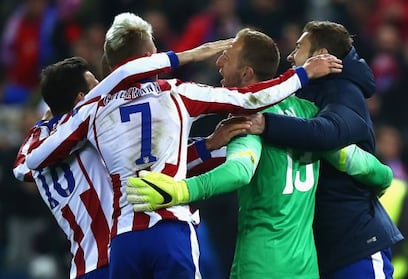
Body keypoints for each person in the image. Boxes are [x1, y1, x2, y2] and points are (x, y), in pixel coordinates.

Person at [24, 12, 341, 279]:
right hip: (170, 228)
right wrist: (302, 74)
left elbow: (35, 160)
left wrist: (207, 146)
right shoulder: (176, 93)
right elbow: (250, 98)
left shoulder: (92, 112)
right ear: (150, 58)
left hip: (123, 240)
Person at [125, 28, 393, 278]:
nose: (218, 63)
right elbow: (364, 165)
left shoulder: (252, 117)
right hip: (306, 267)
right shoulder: (308, 115)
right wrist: (383, 180)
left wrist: (181, 190)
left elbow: (239, 172)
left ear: (246, 74)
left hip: (260, 264)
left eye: (226, 58)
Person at [13, 39, 239, 278]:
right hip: (117, 258)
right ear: (81, 100)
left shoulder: (41, 148)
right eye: (95, 87)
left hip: (83, 267)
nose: (104, 91)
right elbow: (151, 169)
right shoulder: (89, 138)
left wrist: (43, 124)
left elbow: (22, 167)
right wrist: (207, 147)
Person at [232, 21, 403, 278]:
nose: (290, 55)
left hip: (357, 244)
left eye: (300, 47)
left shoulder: (345, 92)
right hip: (322, 249)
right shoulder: (307, 93)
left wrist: (265, 123)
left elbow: (326, 133)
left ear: (321, 55)